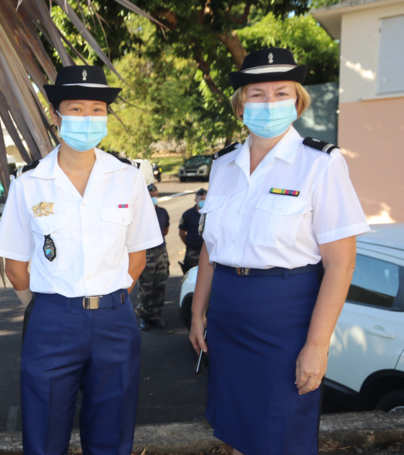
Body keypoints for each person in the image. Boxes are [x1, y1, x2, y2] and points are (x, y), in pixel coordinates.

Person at [188, 47, 369, 455]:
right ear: (241, 104)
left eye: (281, 92)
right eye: (257, 94)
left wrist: (317, 346)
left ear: (297, 100)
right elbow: (210, 248)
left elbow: (341, 264)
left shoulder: (320, 164)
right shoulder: (223, 165)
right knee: (234, 432)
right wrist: (199, 311)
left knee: (283, 434)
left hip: (285, 317)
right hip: (228, 316)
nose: (269, 102)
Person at [0, 65, 162, 455]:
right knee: (44, 435)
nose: (87, 118)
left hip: (115, 321)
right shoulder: (29, 182)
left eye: (97, 109)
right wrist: (44, 307)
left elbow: (137, 255)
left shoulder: (128, 177)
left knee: (113, 435)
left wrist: (109, 297)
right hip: (52, 320)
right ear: (56, 117)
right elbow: (15, 266)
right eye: (76, 108)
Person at [135, 183, 170, 330]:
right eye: (151, 196)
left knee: (160, 287)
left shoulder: (162, 212)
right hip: (147, 253)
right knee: (146, 288)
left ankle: (156, 316)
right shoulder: (140, 213)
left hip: (161, 252)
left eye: (155, 196)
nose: (154, 198)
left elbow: (166, 230)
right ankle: (144, 317)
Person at [178, 188, 207, 274]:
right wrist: (189, 244)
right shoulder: (188, 214)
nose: (204, 201)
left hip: (208, 250)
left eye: (205, 199)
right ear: (195, 200)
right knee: (191, 275)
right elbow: (182, 233)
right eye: (201, 199)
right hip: (193, 251)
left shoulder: (212, 213)